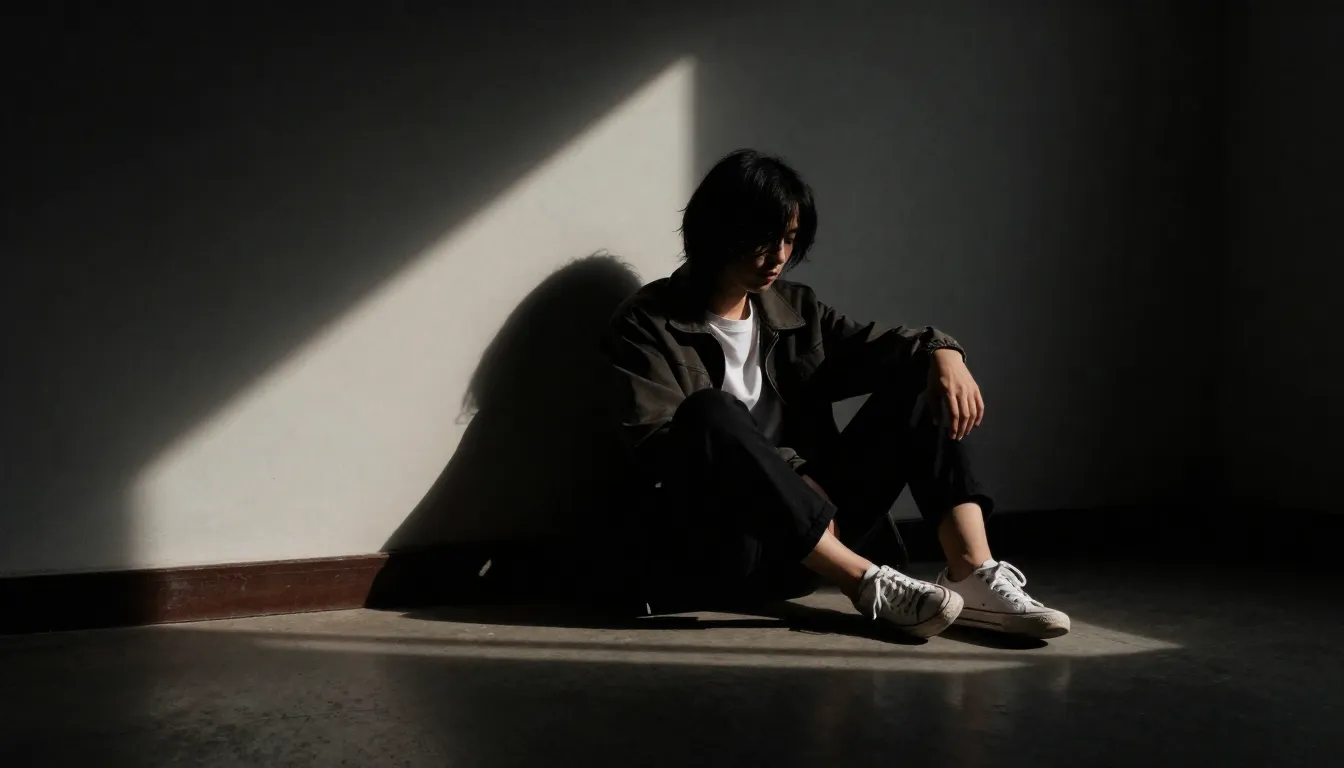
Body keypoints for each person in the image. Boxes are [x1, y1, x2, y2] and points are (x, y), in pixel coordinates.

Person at [602, 149, 1070, 639]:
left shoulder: (795, 309)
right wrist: (793, 475)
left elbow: (887, 347)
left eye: (789, 238)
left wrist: (944, 354)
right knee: (710, 411)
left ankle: (972, 573)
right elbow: (657, 445)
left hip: (816, 540)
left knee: (918, 380)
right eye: (764, 238)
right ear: (718, 229)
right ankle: (864, 584)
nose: (779, 256)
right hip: (725, 547)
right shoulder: (645, 323)